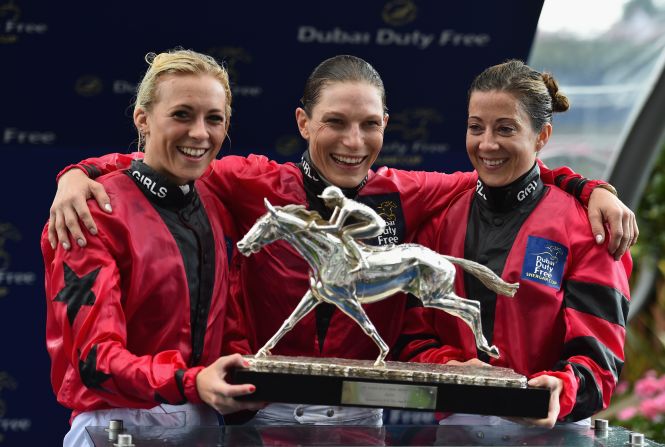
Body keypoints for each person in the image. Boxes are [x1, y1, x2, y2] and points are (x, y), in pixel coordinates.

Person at [46, 55, 637, 426]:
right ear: (304, 123)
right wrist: (80, 172)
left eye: (370, 124)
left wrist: (589, 188)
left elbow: (506, 172)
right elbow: (169, 162)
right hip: (252, 414)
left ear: (386, 125)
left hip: (360, 421)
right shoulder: (248, 182)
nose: (353, 142)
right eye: (335, 122)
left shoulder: (409, 191)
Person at [41, 49, 261, 446]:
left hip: (205, 423)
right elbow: (94, 362)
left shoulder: (212, 197)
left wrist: (248, 384)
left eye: (214, 119)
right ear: (142, 119)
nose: (199, 133)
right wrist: (192, 382)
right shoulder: (90, 211)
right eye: (181, 114)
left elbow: (224, 326)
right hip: (114, 426)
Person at [396, 60, 632, 428]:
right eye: (476, 127)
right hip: (453, 430)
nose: (487, 144)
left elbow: (599, 364)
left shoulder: (588, 226)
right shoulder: (439, 220)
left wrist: (558, 388)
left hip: (552, 431)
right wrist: (451, 368)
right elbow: (412, 337)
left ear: (542, 136)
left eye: (505, 128)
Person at [310, 185, 386, 272]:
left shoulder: (346, 208)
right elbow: (331, 224)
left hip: (377, 225)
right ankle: (355, 253)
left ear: (338, 199)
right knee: (344, 232)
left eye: (329, 201)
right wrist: (319, 226)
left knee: (346, 234)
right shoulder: (339, 206)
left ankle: (361, 261)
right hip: (371, 222)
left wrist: (316, 228)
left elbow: (336, 228)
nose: (326, 204)